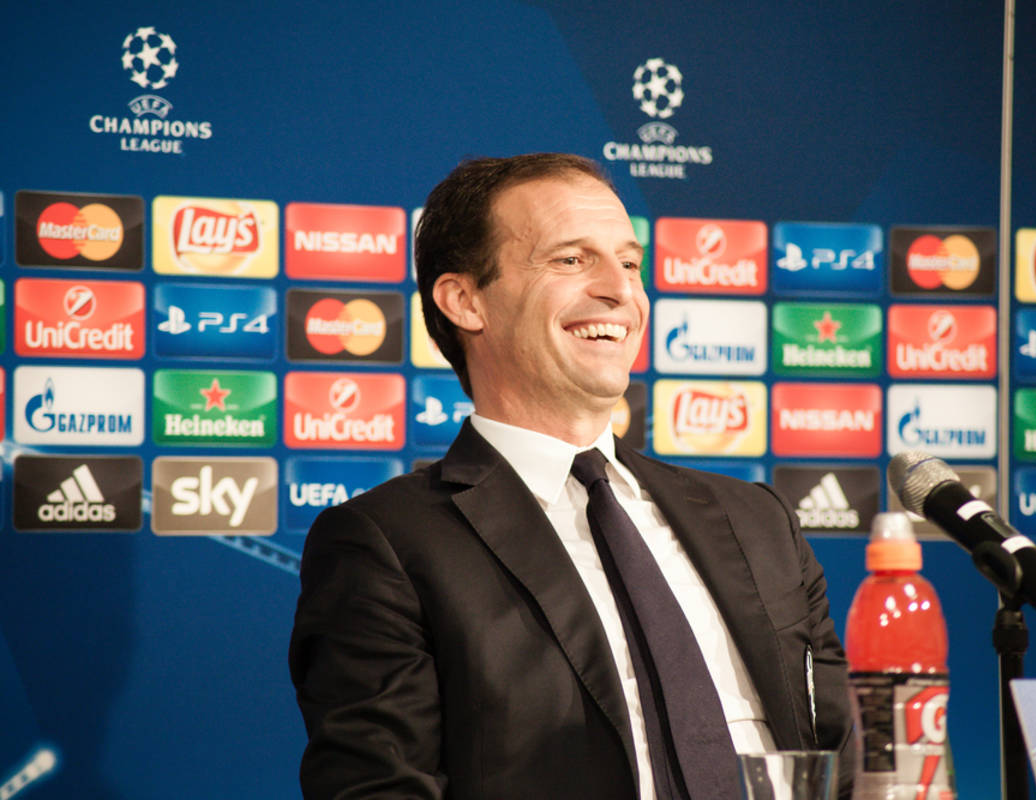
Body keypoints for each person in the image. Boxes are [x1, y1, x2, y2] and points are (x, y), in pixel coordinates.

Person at [289, 153, 855, 799]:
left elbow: (848, 766)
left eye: (631, 264)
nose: (620, 290)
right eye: (571, 260)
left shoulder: (758, 522)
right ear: (465, 301)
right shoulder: (386, 545)